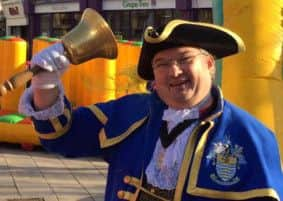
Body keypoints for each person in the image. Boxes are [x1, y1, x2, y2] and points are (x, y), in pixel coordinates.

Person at [19, 19, 283, 201]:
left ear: (210, 64)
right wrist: (47, 82)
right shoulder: (129, 113)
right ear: (154, 78)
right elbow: (62, 136)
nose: (175, 71)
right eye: (162, 64)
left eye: (185, 59)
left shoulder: (250, 136)